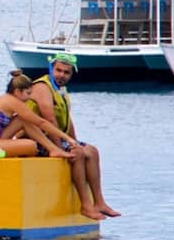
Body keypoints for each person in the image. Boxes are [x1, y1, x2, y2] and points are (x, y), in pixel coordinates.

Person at [23, 53, 120, 219]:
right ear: (51, 69)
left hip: (56, 137)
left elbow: (67, 119)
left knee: (92, 151)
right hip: (37, 138)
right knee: (78, 154)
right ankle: (85, 205)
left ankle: (99, 202)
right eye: (58, 70)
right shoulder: (42, 87)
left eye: (66, 72)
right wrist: (59, 148)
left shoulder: (60, 89)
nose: (62, 75)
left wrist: (74, 141)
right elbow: (49, 119)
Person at [0, 70, 77, 164]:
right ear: (17, 91)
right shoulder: (12, 102)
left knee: (23, 120)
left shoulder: (6, 99)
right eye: (28, 93)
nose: (30, 98)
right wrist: (67, 138)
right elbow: (41, 122)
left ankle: (53, 149)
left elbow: (29, 124)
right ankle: (53, 149)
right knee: (31, 146)